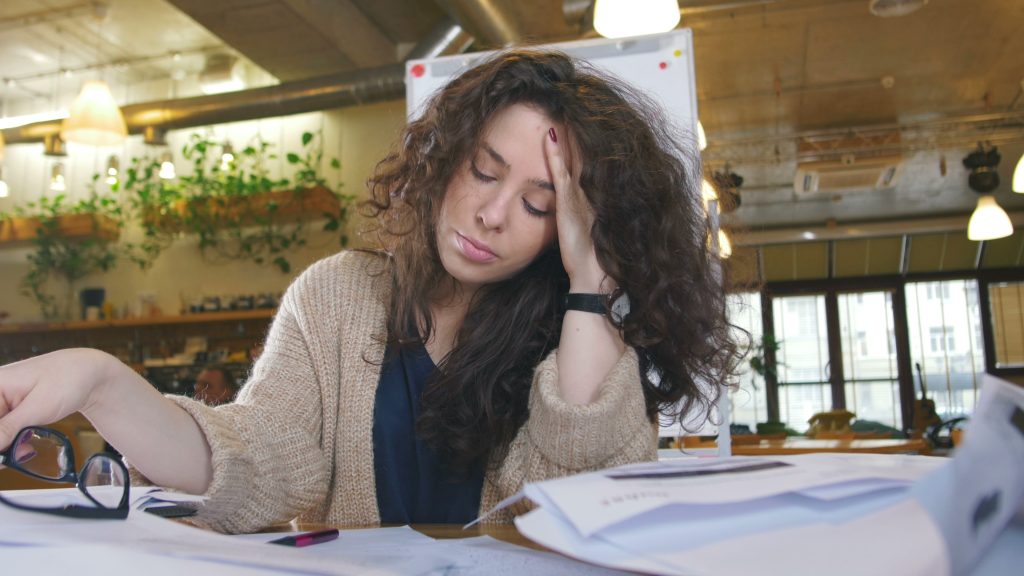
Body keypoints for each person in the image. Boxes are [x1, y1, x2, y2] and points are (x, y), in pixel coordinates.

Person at [0, 50, 741, 533]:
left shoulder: (585, 329)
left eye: (539, 204)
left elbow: (574, 519)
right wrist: (103, 383)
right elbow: (259, 456)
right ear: (446, 157)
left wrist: (592, 285)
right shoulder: (334, 296)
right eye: (485, 171)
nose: (492, 213)